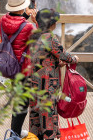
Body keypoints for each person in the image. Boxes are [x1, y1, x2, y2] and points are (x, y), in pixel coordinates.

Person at [29, 8, 78, 140]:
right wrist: (74, 59)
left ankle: (35, 137)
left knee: (36, 116)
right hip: (47, 85)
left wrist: (56, 63)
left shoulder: (35, 35)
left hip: (34, 83)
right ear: (51, 24)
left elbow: (41, 57)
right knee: (48, 116)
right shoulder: (49, 37)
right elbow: (63, 54)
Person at [0, 0, 37, 136]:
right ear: (22, 7)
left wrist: (25, 15)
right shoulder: (28, 26)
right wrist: (35, 21)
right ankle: (13, 135)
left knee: (18, 99)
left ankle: (15, 131)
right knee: (23, 102)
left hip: (9, 64)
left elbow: (13, 26)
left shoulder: (3, 20)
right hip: (24, 68)